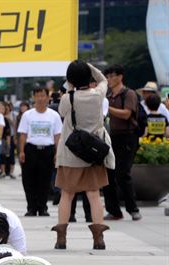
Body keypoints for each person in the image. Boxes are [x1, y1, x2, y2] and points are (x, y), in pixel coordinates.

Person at [53, 61, 115, 250]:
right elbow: (103, 79)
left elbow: (62, 113)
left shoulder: (67, 99)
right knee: (94, 195)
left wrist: (70, 85)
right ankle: (98, 238)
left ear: (70, 79)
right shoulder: (98, 96)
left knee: (67, 195)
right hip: (93, 154)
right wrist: (89, 67)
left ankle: (61, 238)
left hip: (71, 153)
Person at [102, 64, 142, 221]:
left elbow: (126, 114)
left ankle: (133, 209)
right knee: (108, 174)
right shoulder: (109, 96)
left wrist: (107, 108)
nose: (109, 79)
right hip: (111, 137)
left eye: (112, 76)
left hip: (127, 137)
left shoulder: (129, 94)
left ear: (120, 76)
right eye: (107, 76)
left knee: (122, 174)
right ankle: (114, 210)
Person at [18, 87, 63, 217]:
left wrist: (57, 153)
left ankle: (42, 208)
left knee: (45, 181)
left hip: (47, 150)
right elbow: (22, 134)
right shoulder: (28, 115)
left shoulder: (54, 115)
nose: (40, 98)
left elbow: (57, 136)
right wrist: (21, 151)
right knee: (29, 180)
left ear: (48, 97)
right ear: (33, 98)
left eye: (43, 95)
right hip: (31, 149)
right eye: (37, 96)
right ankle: (31, 208)